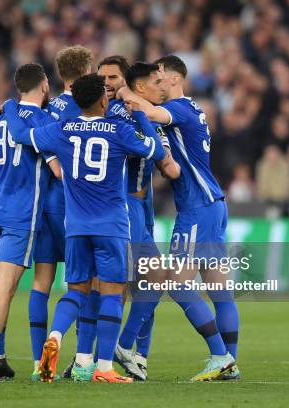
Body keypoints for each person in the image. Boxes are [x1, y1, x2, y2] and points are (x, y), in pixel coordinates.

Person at [2, 73, 165, 383]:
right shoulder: (118, 130)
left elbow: (23, 135)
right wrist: (143, 118)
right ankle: (103, 367)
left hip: (75, 226)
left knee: (76, 290)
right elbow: (156, 151)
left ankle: (55, 336)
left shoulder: (63, 129)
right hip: (112, 226)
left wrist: (10, 107)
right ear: (104, 100)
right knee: (112, 294)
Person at [118, 55, 238, 381]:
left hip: (197, 208)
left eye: (160, 78)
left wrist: (124, 92)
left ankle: (219, 355)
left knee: (175, 282)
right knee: (220, 291)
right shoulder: (190, 111)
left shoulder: (180, 109)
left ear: (173, 78)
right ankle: (230, 363)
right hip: (213, 203)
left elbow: (147, 110)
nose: (157, 84)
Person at [0, 63, 61, 381]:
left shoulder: (2, 119)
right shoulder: (45, 123)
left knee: (3, 289)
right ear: (45, 85)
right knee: (5, 289)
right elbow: (58, 170)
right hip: (21, 217)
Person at [99, 59, 180, 381]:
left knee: (142, 284)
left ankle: (135, 356)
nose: (165, 88)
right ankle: (120, 347)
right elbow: (166, 164)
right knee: (153, 279)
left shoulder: (134, 109)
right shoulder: (127, 113)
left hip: (140, 207)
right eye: (158, 83)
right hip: (125, 206)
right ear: (142, 86)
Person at [31, 45, 93, 382]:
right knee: (84, 282)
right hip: (74, 204)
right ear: (86, 72)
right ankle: (83, 361)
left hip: (45, 205)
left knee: (41, 282)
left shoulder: (48, 106)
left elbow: (37, 141)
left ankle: (35, 358)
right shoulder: (85, 107)